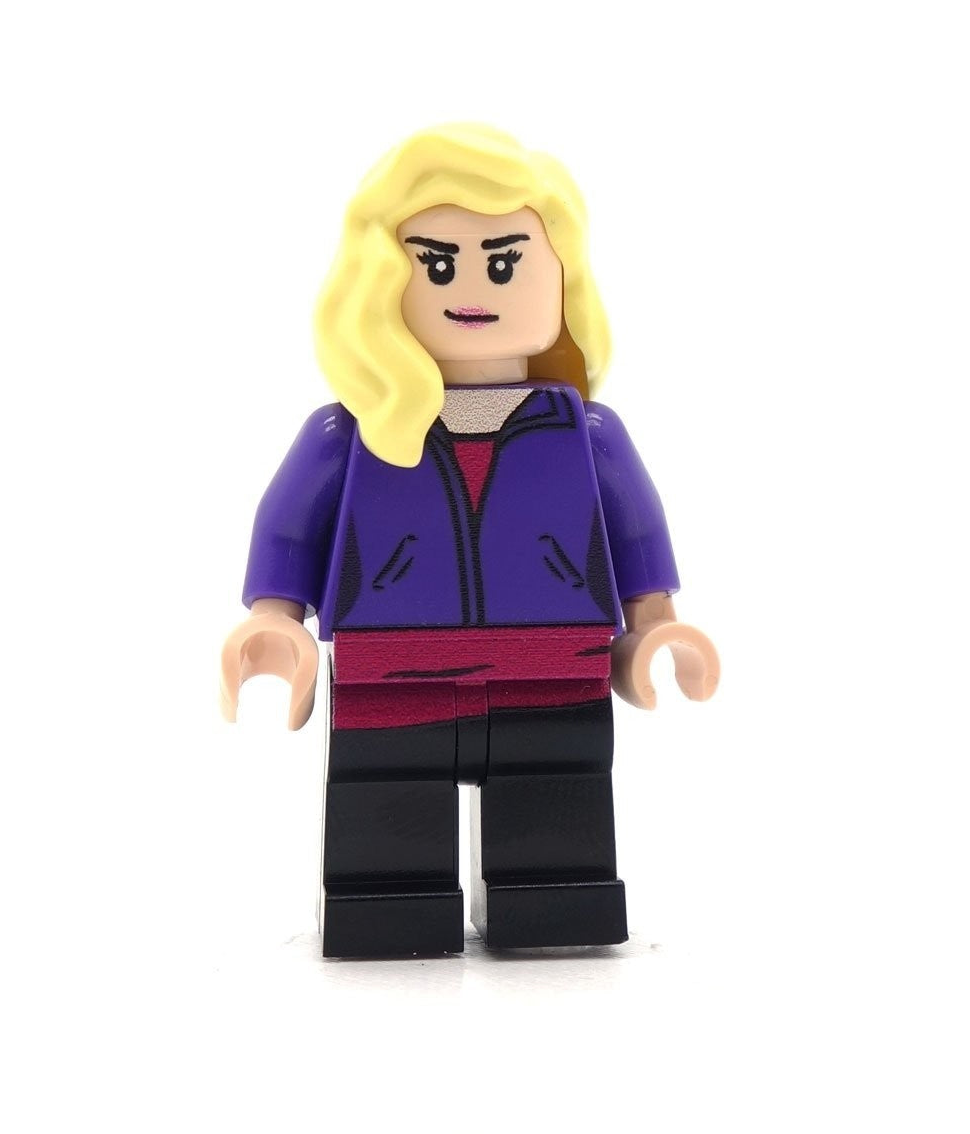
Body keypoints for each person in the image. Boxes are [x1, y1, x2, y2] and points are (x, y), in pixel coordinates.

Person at [220, 124, 719, 957]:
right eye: (439, 265)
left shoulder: (586, 432)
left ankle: (551, 901)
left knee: (555, 811)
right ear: (380, 280)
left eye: (506, 262)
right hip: (391, 673)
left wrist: (654, 629)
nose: (473, 289)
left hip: (553, 669)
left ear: (561, 276)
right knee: (387, 820)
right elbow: (288, 525)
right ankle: (387, 903)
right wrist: (275, 622)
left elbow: (635, 537)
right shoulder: (351, 434)